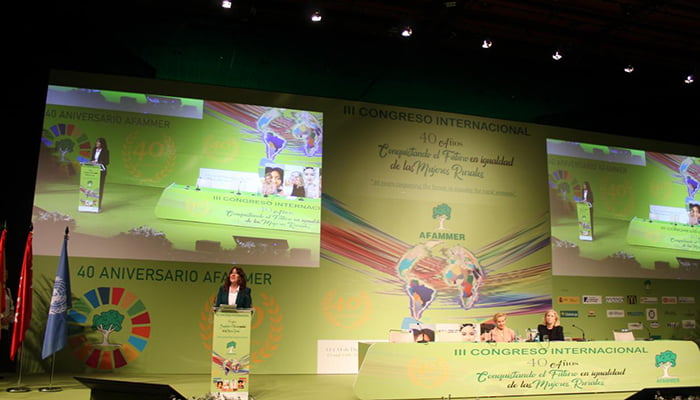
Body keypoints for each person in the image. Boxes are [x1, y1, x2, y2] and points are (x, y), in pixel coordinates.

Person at [90, 137, 110, 209]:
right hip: (93, 171)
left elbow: (107, 162)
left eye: (98, 142)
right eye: (96, 142)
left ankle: (98, 205)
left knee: (100, 188)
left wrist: (98, 162)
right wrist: (92, 161)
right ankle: (91, 203)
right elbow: (92, 158)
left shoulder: (105, 151)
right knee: (92, 187)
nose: (97, 143)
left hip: (101, 171)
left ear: (102, 143)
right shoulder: (94, 149)